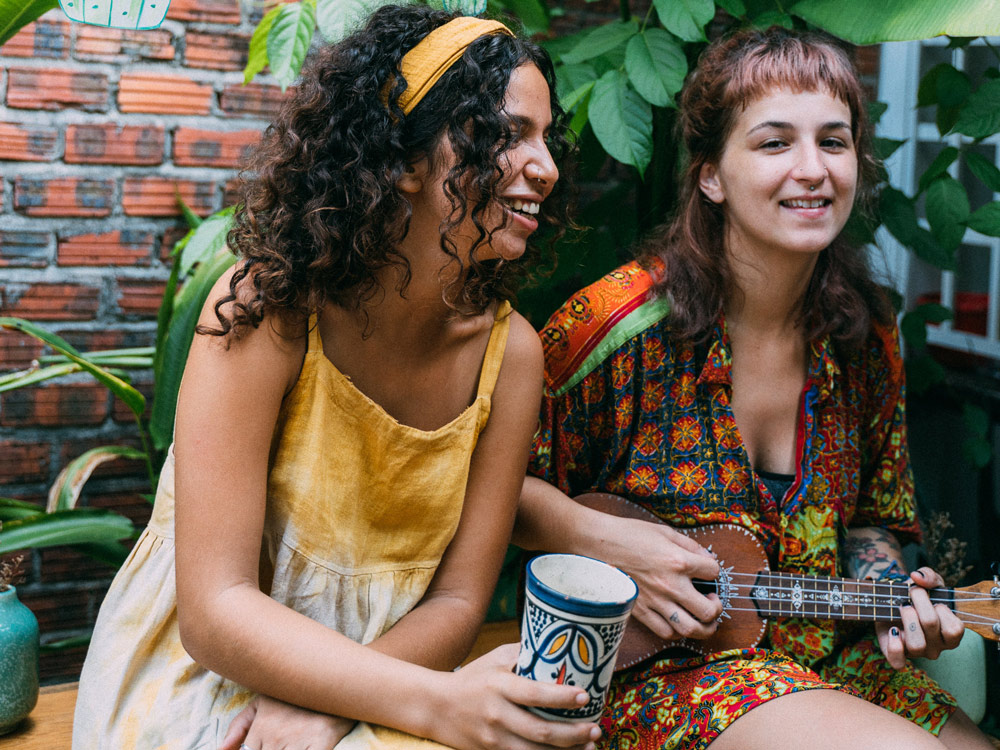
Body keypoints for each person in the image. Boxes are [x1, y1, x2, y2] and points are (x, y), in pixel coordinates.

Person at [72, 7, 604, 750]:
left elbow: (456, 601)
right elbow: (215, 607)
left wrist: (342, 702)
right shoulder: (269, 308)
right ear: (408, 158)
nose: (544, 167)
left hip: (396, 671)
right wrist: (427, 703)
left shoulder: (510, 355)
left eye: (547, 139)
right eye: (508, 134)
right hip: (213, 674)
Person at [515, 26, 995, 750]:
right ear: (710, 174)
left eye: (834, 143)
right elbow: (489, 493)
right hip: (664, 671)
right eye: (775, 143)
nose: (813, 170)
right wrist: (610, 541)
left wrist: (894, 597)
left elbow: (873, 518)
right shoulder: (610, 328)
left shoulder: (865, 334)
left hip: (827, 659)